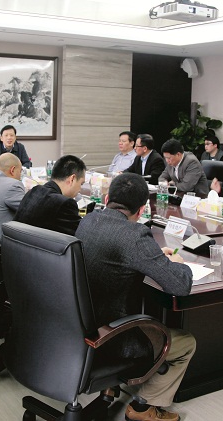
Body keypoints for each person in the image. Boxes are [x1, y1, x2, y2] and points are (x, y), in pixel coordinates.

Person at [76, 173, 194, 421]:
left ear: (106, 199)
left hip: (78, 328)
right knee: (186, 343)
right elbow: (180, 285)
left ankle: (111, 386)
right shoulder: (135, 235)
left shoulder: (88, 221)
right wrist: (177, 263)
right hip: (113, 337)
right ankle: (143, 407)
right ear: (142, 211)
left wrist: (154, 256)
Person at [14, 155, 85, 235]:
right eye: (81, 184)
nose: (80, 189)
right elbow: (82, 235)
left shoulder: (33, 191)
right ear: (72, 179)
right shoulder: (65, 203)